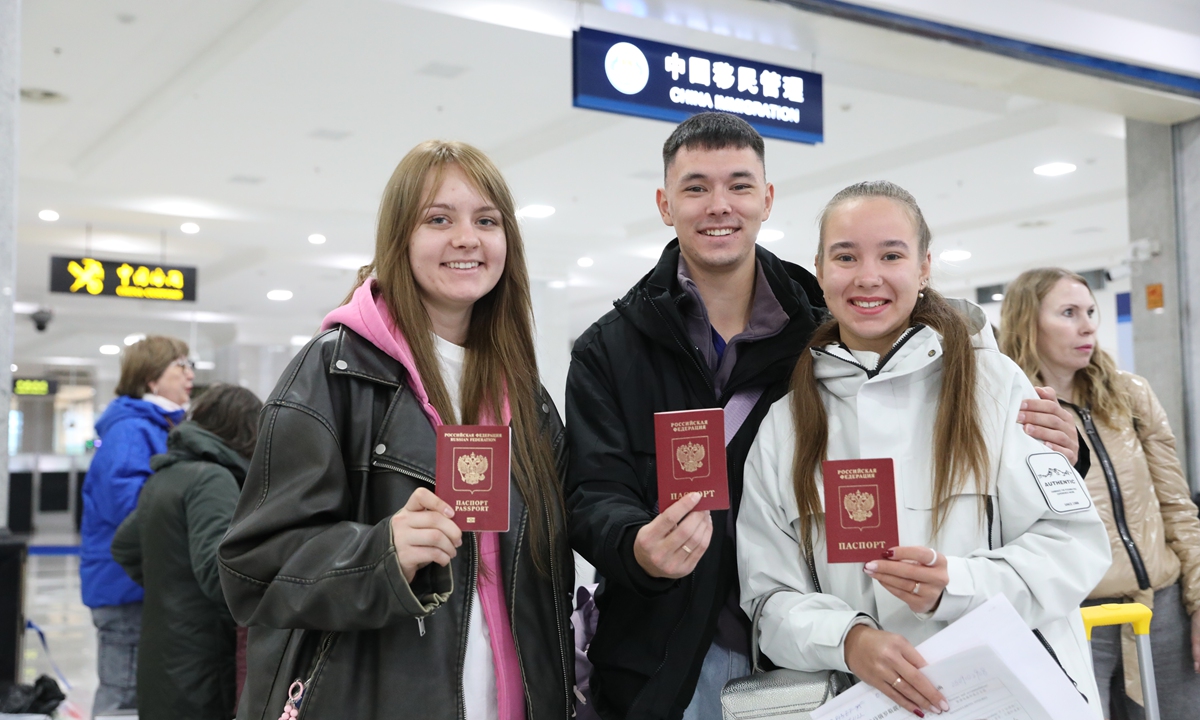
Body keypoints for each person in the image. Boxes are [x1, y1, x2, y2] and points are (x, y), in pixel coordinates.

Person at [564, 112, 1086, 720]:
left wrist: (1060, 450)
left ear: (767, 198)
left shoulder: (820, 330)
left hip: (930, 674)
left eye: (738, 184)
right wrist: (636, 547)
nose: (719, 205)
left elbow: (1063, 539)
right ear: (664, 202)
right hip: (682, 646)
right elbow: (593, 490)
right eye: (695, 187)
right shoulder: (615, 348)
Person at [218, 140, 574, 720]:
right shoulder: (335, 372)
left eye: (487, 220)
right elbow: (251, 569)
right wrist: (380, 552)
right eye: (439, 219)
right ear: (400, 238)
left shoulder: (524, 396)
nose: (467, 238)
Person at [736, 181, 1112, 718]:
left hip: (1011, 699)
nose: (869, 276)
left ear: (924, 267)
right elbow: (767, 598)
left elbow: (1073, 548)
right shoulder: (785, 425)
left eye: (892, 254)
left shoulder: (995, 385)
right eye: (846, 256)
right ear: (819, 270)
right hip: (868, 703)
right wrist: (847, 640)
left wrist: (957, 585)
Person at [1000, 268, 1200, 720]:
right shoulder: (1009, 409)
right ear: (1028, 323)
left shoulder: (1130, 395)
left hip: (1161, 608)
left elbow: (1177, 506)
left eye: (1090, 311)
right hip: (1069, 615)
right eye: (1068, 313)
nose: (1088, 324)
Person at [111, 383, 262, 720]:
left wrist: (171, 586)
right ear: (247, 430)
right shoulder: (214, 478)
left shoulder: (169, 472)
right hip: (202, 658)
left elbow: (124, 545)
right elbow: (217, 574)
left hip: (161, 649)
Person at [80, 335, 193, 715]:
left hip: (139, 586)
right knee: (121, 694)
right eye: (180, 366)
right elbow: (128, 506)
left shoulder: (155, 426)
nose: (189, 376)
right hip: (124, 587)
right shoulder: (131, 429)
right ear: (151, 380)